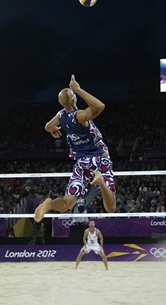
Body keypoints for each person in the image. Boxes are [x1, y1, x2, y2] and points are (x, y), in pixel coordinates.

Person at [34, 75, 116, 222]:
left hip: (82, 163)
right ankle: (101, 182)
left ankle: (48, 205)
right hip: (100, 159)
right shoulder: (79, 116)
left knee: (66, 204)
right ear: (74, 99)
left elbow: (47, 126)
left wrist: (52, 129)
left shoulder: (61, 115)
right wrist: (77, 89)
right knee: (111, 207)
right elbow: (99, 106)